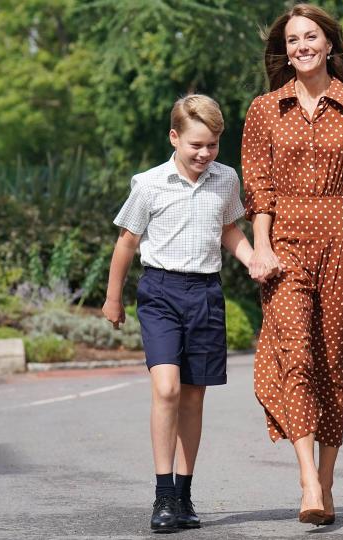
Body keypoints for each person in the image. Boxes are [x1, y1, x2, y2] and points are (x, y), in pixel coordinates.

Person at [241, 3, 343, 526]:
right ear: (284, 51)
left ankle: (326, 480)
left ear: (329, 44)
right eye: (291, 40)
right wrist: (260, 247)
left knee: (333, 364)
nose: (301, 46)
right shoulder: (265, 109)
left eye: (310, 37)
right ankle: (308, 476)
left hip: (339, 242)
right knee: (296, 356)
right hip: (284, 244)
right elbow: (258, 189)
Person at [102, 94, 253, 532]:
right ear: (174, 137)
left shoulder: (226, 180)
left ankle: (185, 494)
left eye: (212, 145)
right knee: (166, 389)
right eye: (196, 145)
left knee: (193, 394)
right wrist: (113, 299)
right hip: (161, 292)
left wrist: (254, 259)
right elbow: (127, 243)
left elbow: (229, 228)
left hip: (205, 293)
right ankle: (163, 494)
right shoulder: (148, 183)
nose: (204, 154)